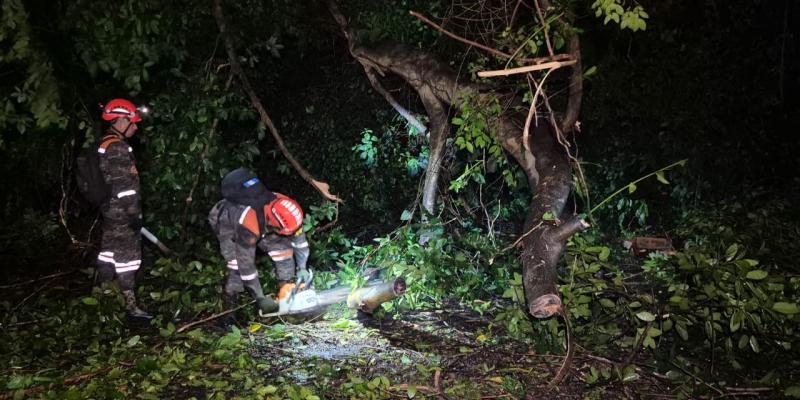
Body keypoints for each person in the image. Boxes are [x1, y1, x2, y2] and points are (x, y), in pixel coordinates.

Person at [208, 168, 311, 320]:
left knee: (283, 250)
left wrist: (302, 267)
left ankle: (286, 292)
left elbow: (300, 243)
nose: (288, 235)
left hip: (262, 223)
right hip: (227, 223)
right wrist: (260, 298)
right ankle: (228, 315)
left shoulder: (286, 209)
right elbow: (246, 266)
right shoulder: (248, 222)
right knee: (235, 267)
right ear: (272, 222)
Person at [94, 98, 152, 319]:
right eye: (132, 122)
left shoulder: (105, 143)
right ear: (119, 120)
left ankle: (105, 297)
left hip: (110, 211)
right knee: (128, 260)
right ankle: (130, 307)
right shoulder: (117, 147)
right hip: (122, 214)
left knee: (108, 254)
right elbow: (124, 186)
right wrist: (133, 214)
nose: (136, 126)